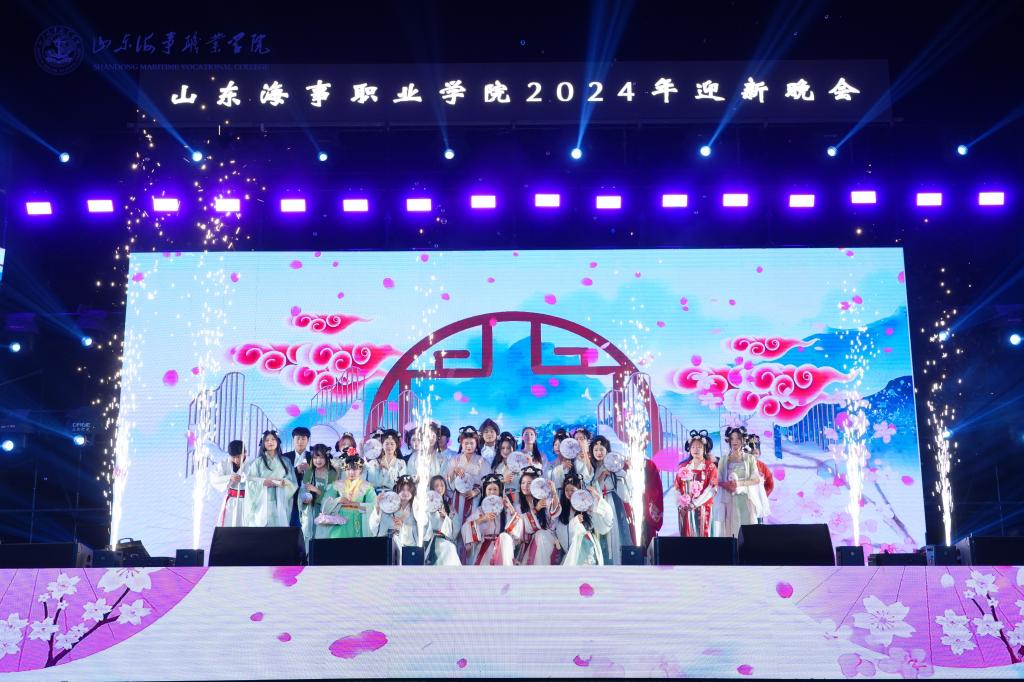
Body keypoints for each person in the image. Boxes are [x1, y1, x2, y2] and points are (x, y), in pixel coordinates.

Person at [712, 426, 767, 538]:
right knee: (731, 530)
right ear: (729, 440)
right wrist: (726, 485)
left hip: (746, 497)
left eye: (738, 438)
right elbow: (718, 480)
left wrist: (739, 484)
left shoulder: (749, 458)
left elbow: (756, 479)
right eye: (732, 438)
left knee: (748, 531)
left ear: (743, 440)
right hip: (729, 499)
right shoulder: (723, 459)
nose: (735, 441)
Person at [554, 471, 614, 565]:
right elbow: (561, 534)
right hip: (572, 555)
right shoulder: (562, 511)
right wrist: (574, 522)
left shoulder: (588, 507)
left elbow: (607, 522)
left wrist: (598, 498)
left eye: (572, 490)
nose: (569, 493)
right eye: (567, 490)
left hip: (590, 552)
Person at [591, 436, 635, 564]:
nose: (599, 453)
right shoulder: (591, 468)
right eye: (596, 450)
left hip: (611, 502)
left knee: (615, 532)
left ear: (607, 450)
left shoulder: (614, 466)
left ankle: (616, 562)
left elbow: (626, 486)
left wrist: (626, 471)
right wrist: (600, 477)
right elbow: (590, 487)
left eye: (601, 449)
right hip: (597, 504)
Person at [243, 430, 297, 527]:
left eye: (273, 439)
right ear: (263, 443)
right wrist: (263, 482)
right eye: (267, 440)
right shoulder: (257, 462)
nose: (270, 442)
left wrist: (284, 482)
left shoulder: (286, 461)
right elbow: (250, 481)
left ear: (278, 442)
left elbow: (292, 482)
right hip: (262, 501)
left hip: (279, 500)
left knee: (278, 530)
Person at [461, 473, 518, 565]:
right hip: (485, 548)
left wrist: (510, 508)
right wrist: (482, 519)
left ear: (500, 491)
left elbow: (517, 530)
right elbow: (465, 528)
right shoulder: (480, 510)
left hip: (502, 548)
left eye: (495, 489)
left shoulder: (506, 509)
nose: (492, 492)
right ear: (485, 492)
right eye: (489, 489)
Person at [319, 455, 376, 538]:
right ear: (344, 470)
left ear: (360, 469)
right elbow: (325, 503)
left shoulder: (367, 486)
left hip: (357, 521)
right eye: (348, 469)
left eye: (355, 469)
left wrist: (352, 503)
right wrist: (338, 500)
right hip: (339, 522)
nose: (351, 472)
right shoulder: (336, 485)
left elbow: (373, 505)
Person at [512, 466, 560, 565]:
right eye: (523, 483)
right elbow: (520, 526)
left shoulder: (544, 500)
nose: (525, 486)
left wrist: (554, 492)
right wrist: (536, 509)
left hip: (546, 539)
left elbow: (555, 511)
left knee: (540, 534)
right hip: (526, 543)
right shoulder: (519, 506)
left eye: (529, 483)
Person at [675, 430, 718, 538]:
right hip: (685, 509)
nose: (695, 449)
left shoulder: (710, 467)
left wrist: (695, 503)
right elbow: (677, 487)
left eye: (699, 447)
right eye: (693, 447)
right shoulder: (683, 466)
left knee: (704, 537)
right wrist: (680, 504)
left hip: (704, 507)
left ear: (705, 449)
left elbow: (711, 489)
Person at [444, 426, 486, 528]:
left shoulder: (481, 461)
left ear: (476, 444)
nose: (469, 446)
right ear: (461, 444)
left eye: (471, 443)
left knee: (472, 526)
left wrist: (476, 491)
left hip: (474, 497)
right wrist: (454, 471)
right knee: (456, 523)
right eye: (466, 443)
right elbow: (445, 480)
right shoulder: (455, 459)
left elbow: (487, 481)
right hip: (457, 497)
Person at [298, 444, 338, 550]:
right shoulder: (309, 471)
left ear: (326, 458)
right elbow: (303, 490)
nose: (318, 460)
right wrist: (305, 498)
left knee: (322, 535)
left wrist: (316, 490)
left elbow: (331, 495)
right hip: (310, 508)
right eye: (315, 457)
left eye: (321, 457)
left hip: (324, 510)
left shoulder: (332, 473)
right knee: (308, 533)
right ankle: (308, 556)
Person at [369, 474, 420, 549]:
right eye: (402, 489)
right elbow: (375, 529)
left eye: (408, 489)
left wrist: (403, 527)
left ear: (413, 491)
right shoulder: (387, 506)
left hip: (409, 550)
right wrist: (377, 507)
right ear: (397, 490)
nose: (405, 493)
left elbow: (420, 537)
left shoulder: (416, 509)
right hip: (387, 547)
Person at [421, 475, 462, 566]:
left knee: (449, 547)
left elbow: (455, 529)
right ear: (432, 488)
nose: (439, 488)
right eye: (436, 486)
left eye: (442, 485)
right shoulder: (425, 506)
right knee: (448, 548)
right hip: (430, 540)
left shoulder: (449, 507)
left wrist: (446, 518)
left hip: (444, 540)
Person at [210, 440, 247, 527]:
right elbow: (214, 478)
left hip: (246, 501)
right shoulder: (223, 464)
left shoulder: (252, 464)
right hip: (231, 501)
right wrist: (229, 478)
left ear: (245, 453)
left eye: (238, 457)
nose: (236, 460)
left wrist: (244, 478)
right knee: (229, 525)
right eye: (233, 457)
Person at [283, 426, 312, 527]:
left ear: (308, 440)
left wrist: (309, 470)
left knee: (306, 528)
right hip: (289, 498)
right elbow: (282, 476)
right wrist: (296, 470)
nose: (300, 442)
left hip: (307, 498)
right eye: (298, 438)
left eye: (303, 439)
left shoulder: (313, 457)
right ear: (293, 439)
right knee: (289, 527)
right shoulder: (285, 457)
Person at [365, 429, 407, 493]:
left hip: (394, 495)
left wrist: (388, 468)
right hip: (376, 495)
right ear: (382, 445)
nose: (389, 446)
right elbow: (371, 482)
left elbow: (402, 484)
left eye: (392, 444)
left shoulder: (401, 463)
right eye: (386, 444)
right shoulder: (373, 463)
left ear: (396, 446)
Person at [747, 434, 774, 523]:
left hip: (758, 501)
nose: (754, 456)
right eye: (751, 454)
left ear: (759, 453)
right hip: (746, 502)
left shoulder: (762, 466)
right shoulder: (742, 466)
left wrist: (762, 494)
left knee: (758, 524)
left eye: (756, 453)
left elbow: (770, 484)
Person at [490, 431, 520, 501]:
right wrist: (503, 480)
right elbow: (489, 485)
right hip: (499, 499)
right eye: (503, 448)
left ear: (513, 448)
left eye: (508, 448)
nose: (505, 451)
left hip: (517, 498)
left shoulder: (520, 464)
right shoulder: (496, 466)